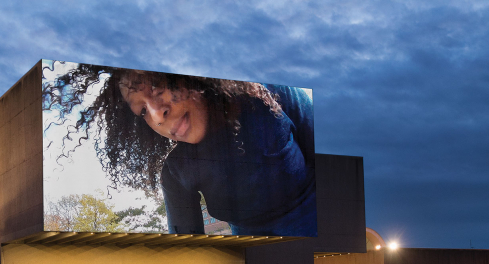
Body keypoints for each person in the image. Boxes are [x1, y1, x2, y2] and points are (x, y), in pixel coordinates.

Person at [43, 62, 317, 237]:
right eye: (141, 112)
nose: (157, 115)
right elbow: (188, 245)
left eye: (157, 87)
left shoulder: (268, 97)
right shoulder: (176, 172)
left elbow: (331, 168)